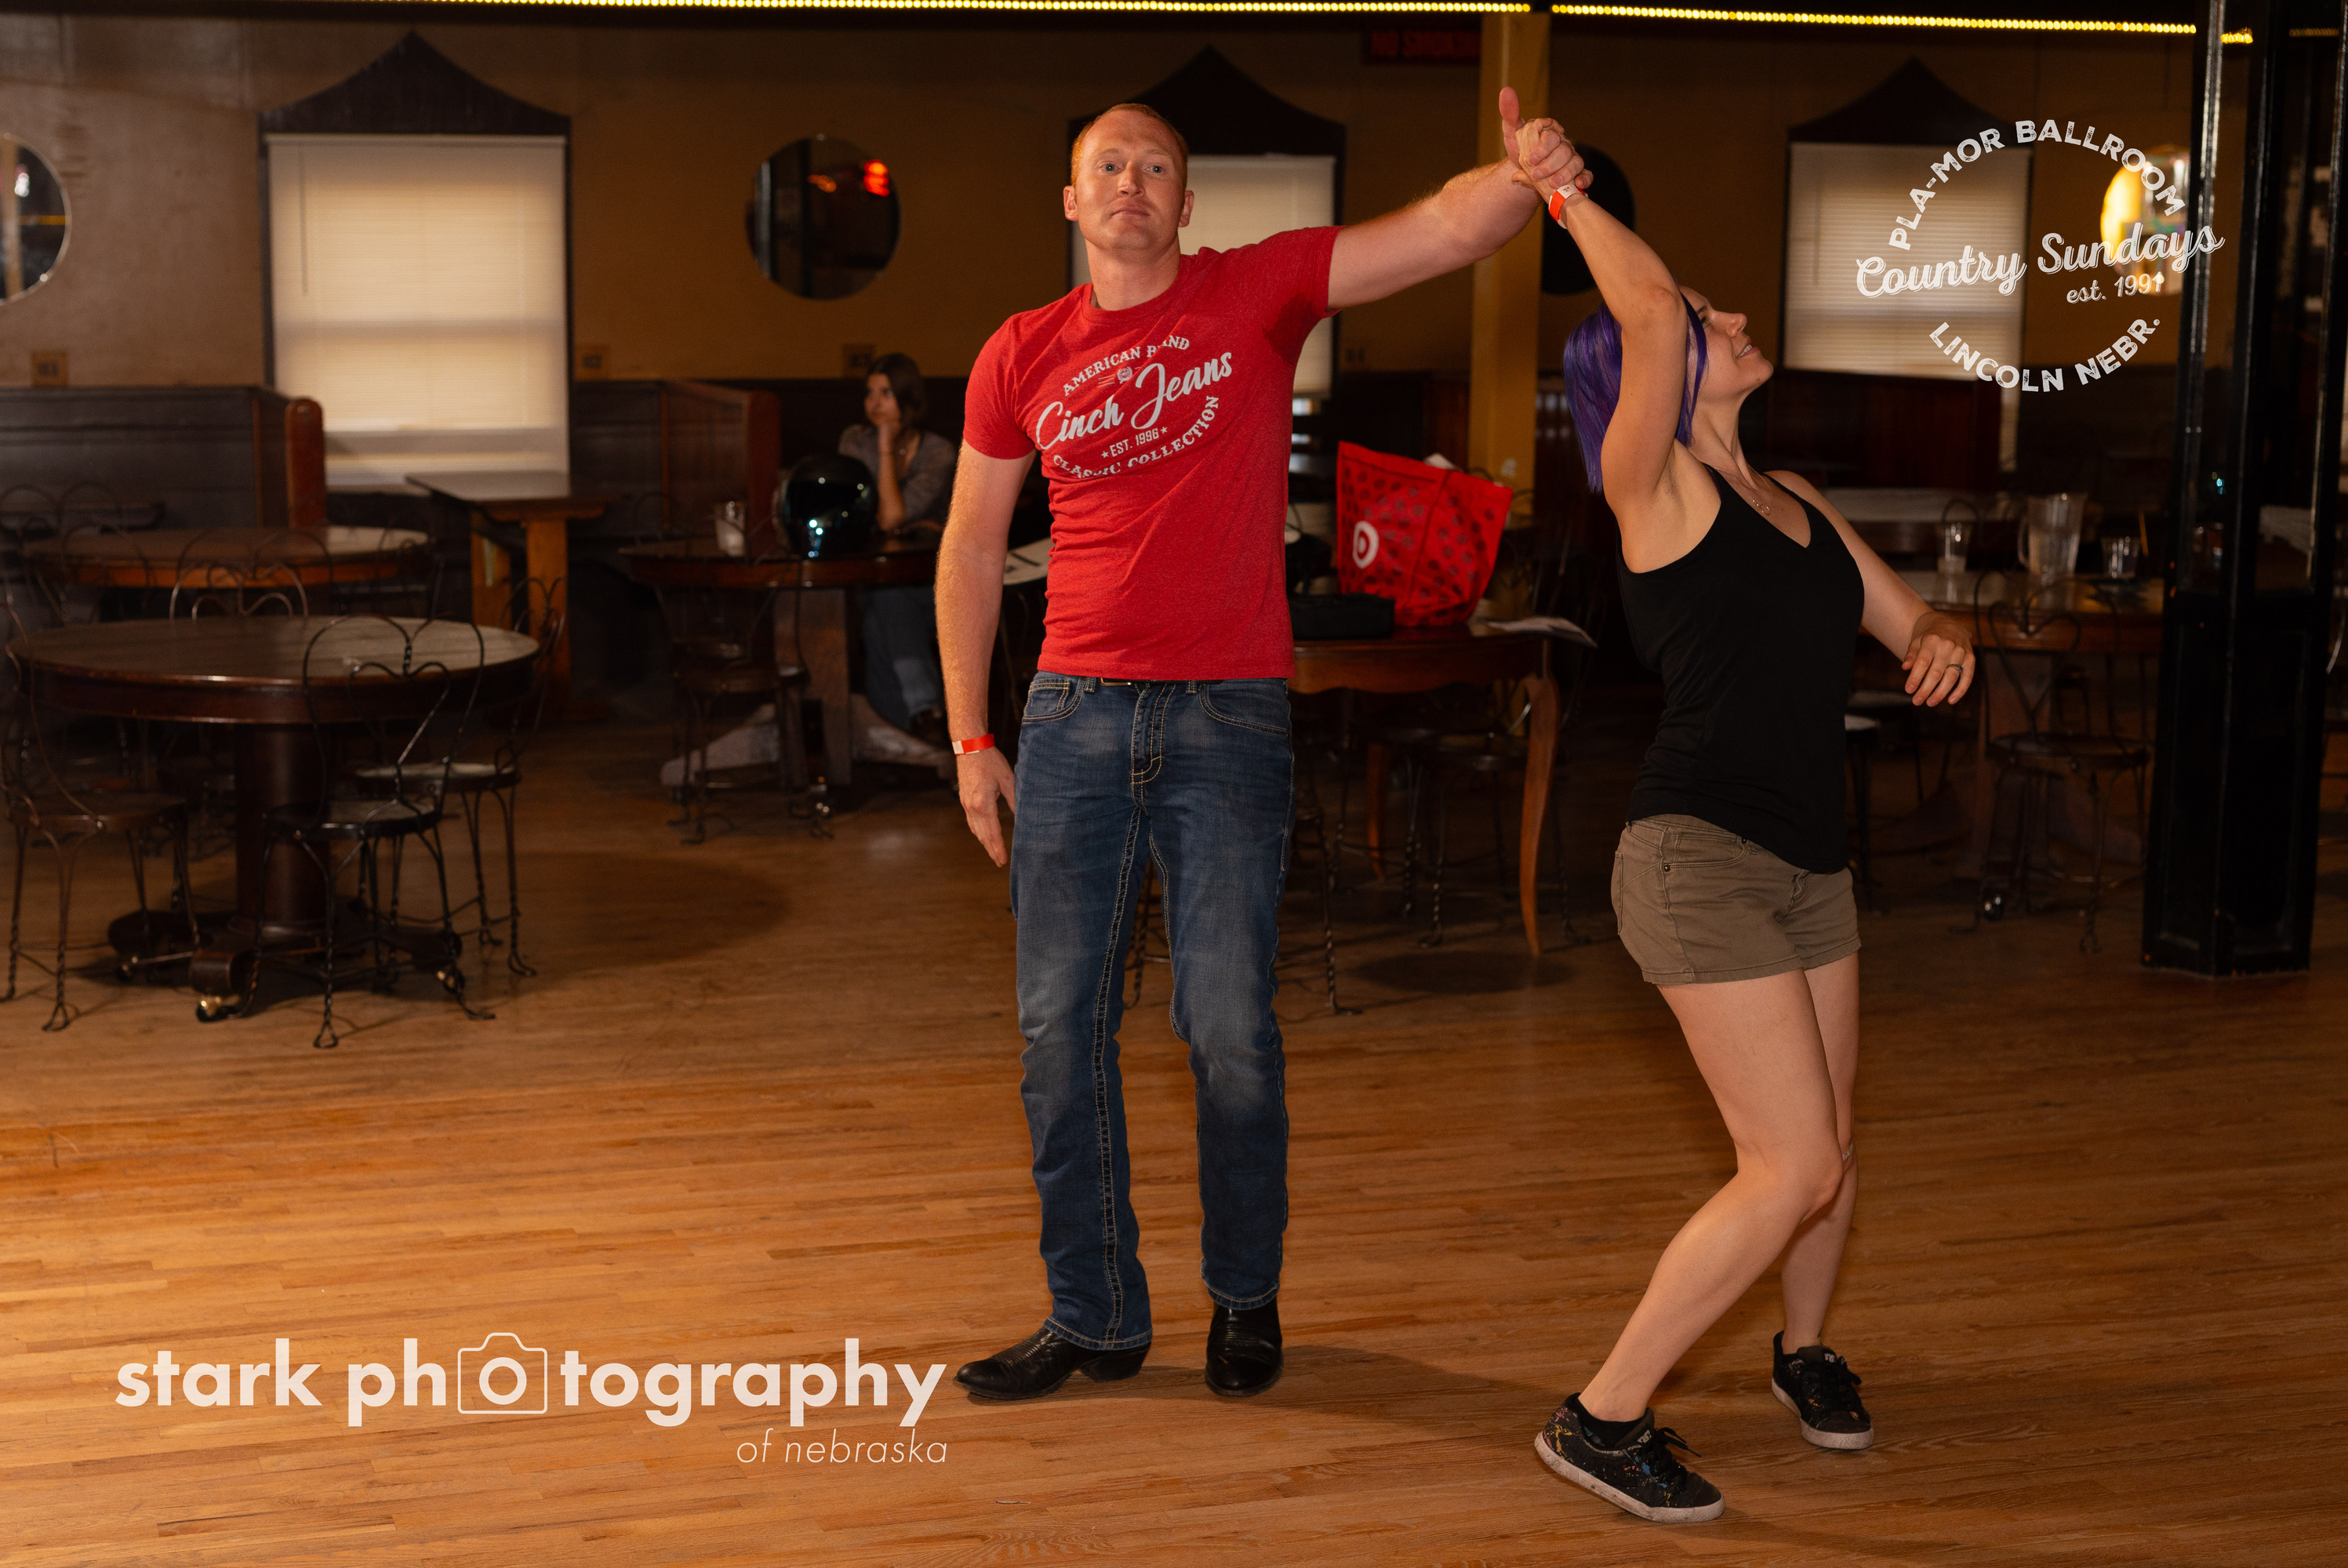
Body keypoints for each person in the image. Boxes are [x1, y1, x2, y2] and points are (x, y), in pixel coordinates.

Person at [934, 96, 1590, 1404]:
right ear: (1072, 201)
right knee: (1058, 1033)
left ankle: (1244, 1298)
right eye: (1107, 165)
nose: (1130, 181)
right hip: (1071, 717)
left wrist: (1522, 180)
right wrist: (968, 735)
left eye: (1155, 166)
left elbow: (1437, 232)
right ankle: (1094, 1315)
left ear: (1186, 207)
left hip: (1227, 717)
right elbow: (968, 548)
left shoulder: (1258, 292)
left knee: (1227, 1025)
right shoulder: (1020, 350)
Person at [1519, 135, 1975, 1521]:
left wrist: (1939, 639)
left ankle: (1805, 1350)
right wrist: (1563, 190)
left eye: (1716, 310)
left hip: (1810, 863)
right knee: (1793, 1163)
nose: (1725, 318)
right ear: (1649, 377)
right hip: (1697, 859)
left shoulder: (1803, 504)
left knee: (1832, 1146)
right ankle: (1601, 1416)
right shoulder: (1653, 491)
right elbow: (1649, 309)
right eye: (1703, 320)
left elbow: (1912, 617)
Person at [839, 353, 954, 757]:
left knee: (883, 613)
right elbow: (871, 518)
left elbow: (888, 518)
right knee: (882, 607)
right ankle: (922, 721)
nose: (874, 404)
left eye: (886, 393)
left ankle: (899, 733)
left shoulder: (938, 452)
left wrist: (886, 448)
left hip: (933, 587)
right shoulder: (855, 441)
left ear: (907, 398)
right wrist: (882, 444)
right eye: (869, 393)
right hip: (871, 579)